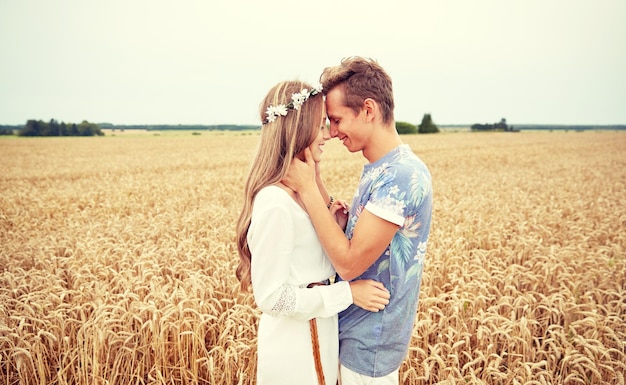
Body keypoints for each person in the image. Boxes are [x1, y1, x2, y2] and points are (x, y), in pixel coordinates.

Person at [282, 57, 433, 384]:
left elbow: (349, 265)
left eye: (336, 120)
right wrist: (320, 183)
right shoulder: (383, 167)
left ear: (368, 109)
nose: (332, 133)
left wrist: (307, 187)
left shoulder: (399, 176)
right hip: (356, 333)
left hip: (370, 345)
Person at [235, 80, 391, 385]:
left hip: (318, 333)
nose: (328, 135)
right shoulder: (275, 202)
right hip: (293, 350)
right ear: (297, 130)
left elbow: (314, 263)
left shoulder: (302, 195)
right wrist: (347, 293)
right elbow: (272, 298)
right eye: (320, 126)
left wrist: (336, 219)